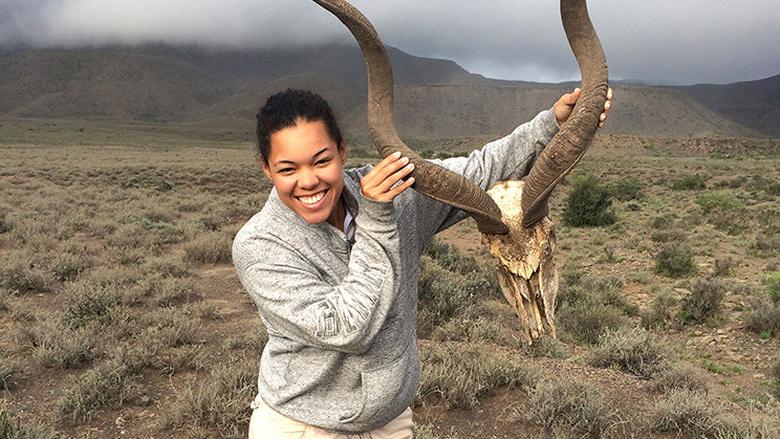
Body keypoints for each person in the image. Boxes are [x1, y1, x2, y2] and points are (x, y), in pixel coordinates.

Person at [233, 87, 613, 438]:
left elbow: (478, 171)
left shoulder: (394, 194)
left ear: (342, 151)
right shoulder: (260, 245)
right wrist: (377, 217)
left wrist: (552, 125)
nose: (309, 181)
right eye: (288, 169)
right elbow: (348, 329)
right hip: (304, 426)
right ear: (266, 169)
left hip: (388, 421)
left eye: (321, 161)